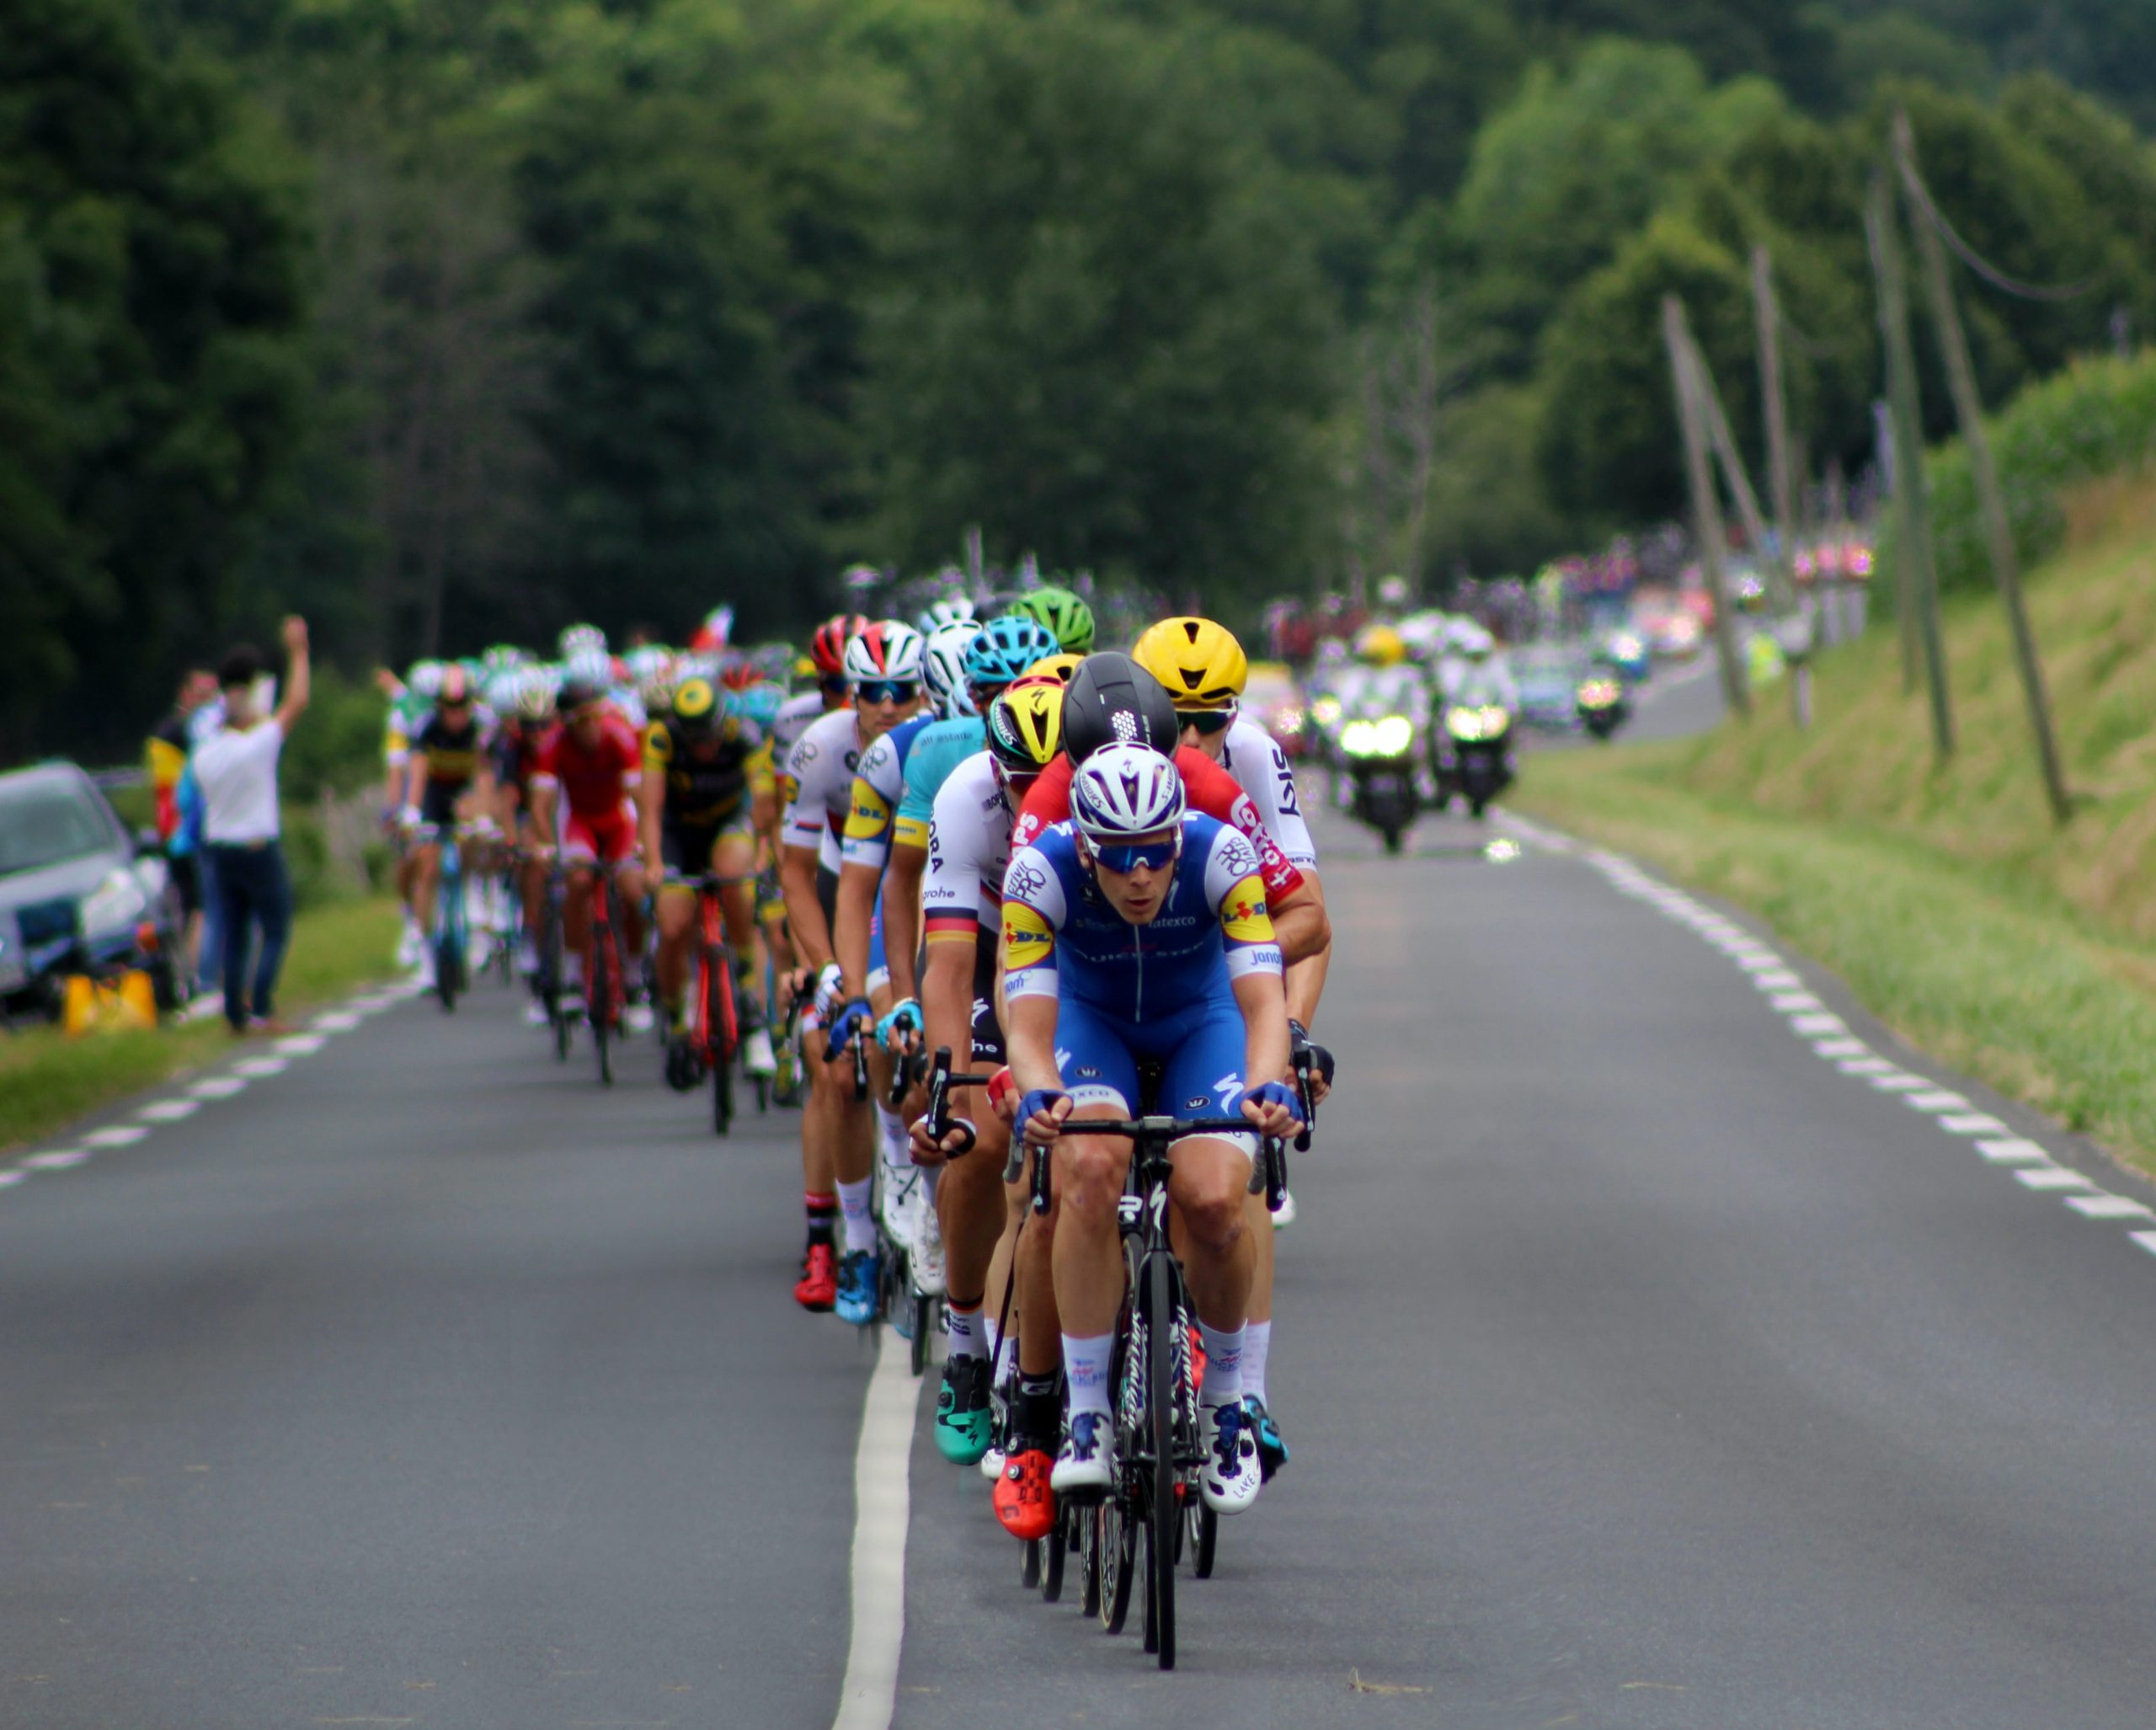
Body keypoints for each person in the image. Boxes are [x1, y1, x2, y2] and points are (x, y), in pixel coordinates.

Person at [1001, 742, 1301, 1522]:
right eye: (1120, 858)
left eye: (1155, 854)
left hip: (1202, 1021)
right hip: (1090, 1021)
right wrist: (1038, 1094)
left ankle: (1231, 1397)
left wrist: (1271, 1083)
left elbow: (1264, 1004)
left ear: (1178, 834)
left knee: (1211, 1203)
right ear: (1087, 844)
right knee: (1091, 1171)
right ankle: (1089, 1416)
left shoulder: (1221, 853)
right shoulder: (1040, 870)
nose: (1140, 876)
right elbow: (1027, 1030)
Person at [1133, 616, 1332, 1477]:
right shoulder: (1115, 767)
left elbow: (1312, 922)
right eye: (1178, 716)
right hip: (1122, 979)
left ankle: (1243, 1389)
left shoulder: (1251, 758)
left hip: (1225, 970)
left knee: (1237, 1159)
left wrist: (1285, 1034)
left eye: (1212, 715)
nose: (1196, 736)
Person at [777, 620, 926, 1316]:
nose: (887, 706)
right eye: (871, 692)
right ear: (848, 694)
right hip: (843, 897)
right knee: (836, 1066)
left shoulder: (938, 745)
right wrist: (826, 967)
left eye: (903, 691)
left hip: (917, 903)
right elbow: (797, 875)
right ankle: (858, 1247)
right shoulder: (819, 749)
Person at [642, 674, 779, 1077]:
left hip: (727, 826)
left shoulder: (745, 734)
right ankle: (676, 1014)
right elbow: (650, 809)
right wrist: (652, 861)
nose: (704, 748)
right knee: (671, 925)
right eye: (694, 740)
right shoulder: (661, 738)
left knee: (736, 875)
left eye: (710, 737)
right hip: (678, 835)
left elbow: (764, 804)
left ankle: (748, 978)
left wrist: (765, 852)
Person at [191, 617, 311, 1034]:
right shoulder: (256, 746)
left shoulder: (205, 754)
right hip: (258, 845)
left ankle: (234, 1014)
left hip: (220, 847)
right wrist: (299, 651)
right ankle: (262, 1006)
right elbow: (296, 702)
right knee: (276, 929)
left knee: (235, 933)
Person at [526, 680, 652, 1030]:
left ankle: (635, 977)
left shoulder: (619, 736)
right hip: (581, 822)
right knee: (577, 881)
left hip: (618, 822)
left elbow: (639, 797)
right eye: (581, 721)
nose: (591, 726)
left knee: (631, 889)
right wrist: (545, 843)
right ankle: (570, 973)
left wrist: (643, 841)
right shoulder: (554, 745)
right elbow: (541, 804)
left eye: (595, 717)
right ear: (566, 723)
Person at [400, 665, 497, 988]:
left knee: (473, 833)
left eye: (462, 706)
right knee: (427, 866)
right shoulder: (426, 728)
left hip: (464, 793)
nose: (456, 714)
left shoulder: (480, 728)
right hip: (434, 794)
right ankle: (426, 958)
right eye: (449, 707)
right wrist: (413, 811)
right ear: (439, 706)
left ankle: (471, 894)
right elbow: (418, 772)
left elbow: (484, 775)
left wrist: (483, 815)